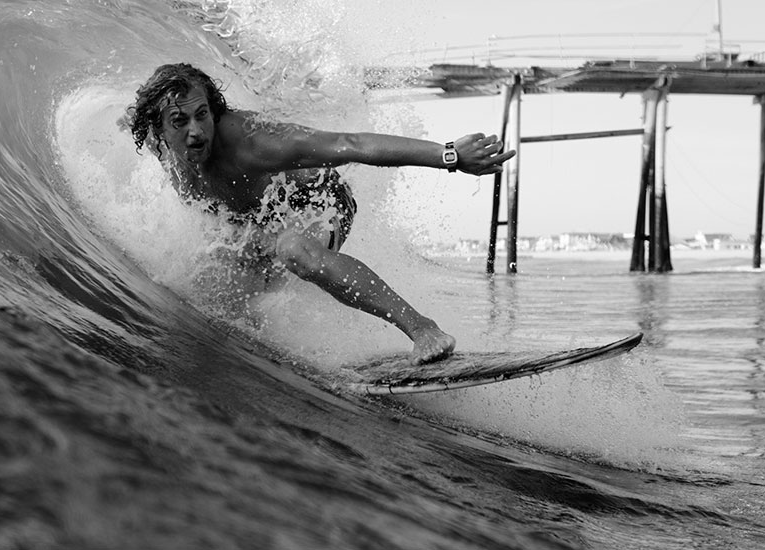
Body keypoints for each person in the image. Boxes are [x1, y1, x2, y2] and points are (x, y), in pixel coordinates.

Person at [126, 63, 515, 364]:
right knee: (220, 288)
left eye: (202, 115)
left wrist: (450, 155)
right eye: (180, 121)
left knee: (294, 250)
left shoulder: (250, 142)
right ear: (158, 128)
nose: (196, 131)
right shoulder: (163, 148)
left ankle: (423, 329)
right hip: (257, 223)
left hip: (318, 198)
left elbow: (351, 144)